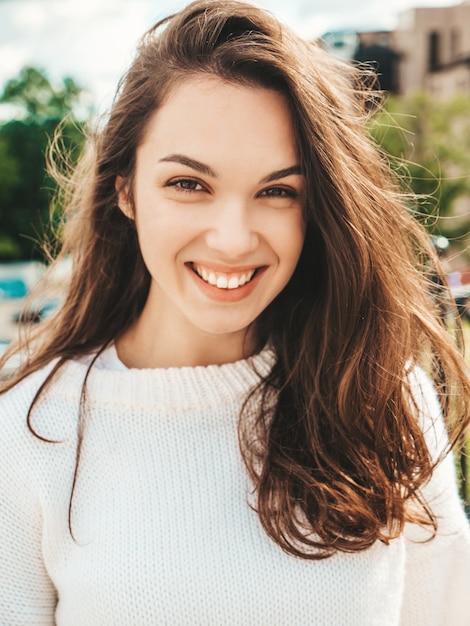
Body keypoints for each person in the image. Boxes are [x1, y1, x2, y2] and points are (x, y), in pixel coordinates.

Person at [0, 1, 469, 623]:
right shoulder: (30, 427)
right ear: (126, 191)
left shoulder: (381, 391)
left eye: (278, 191)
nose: (233, 238)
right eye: (189, 184)